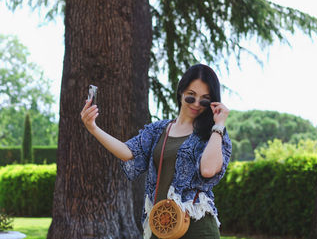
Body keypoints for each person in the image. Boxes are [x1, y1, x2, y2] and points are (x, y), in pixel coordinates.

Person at [81, 64, 232, 239]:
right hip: (162, 222)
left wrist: (219, 125)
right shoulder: (159, 129)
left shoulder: (214, 135)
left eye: (205, 100)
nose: (197, 104)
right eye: (191, 97)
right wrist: (93, 128)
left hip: (198, 227)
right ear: (181, 92)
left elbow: (207, 170)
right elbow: (127, 151)